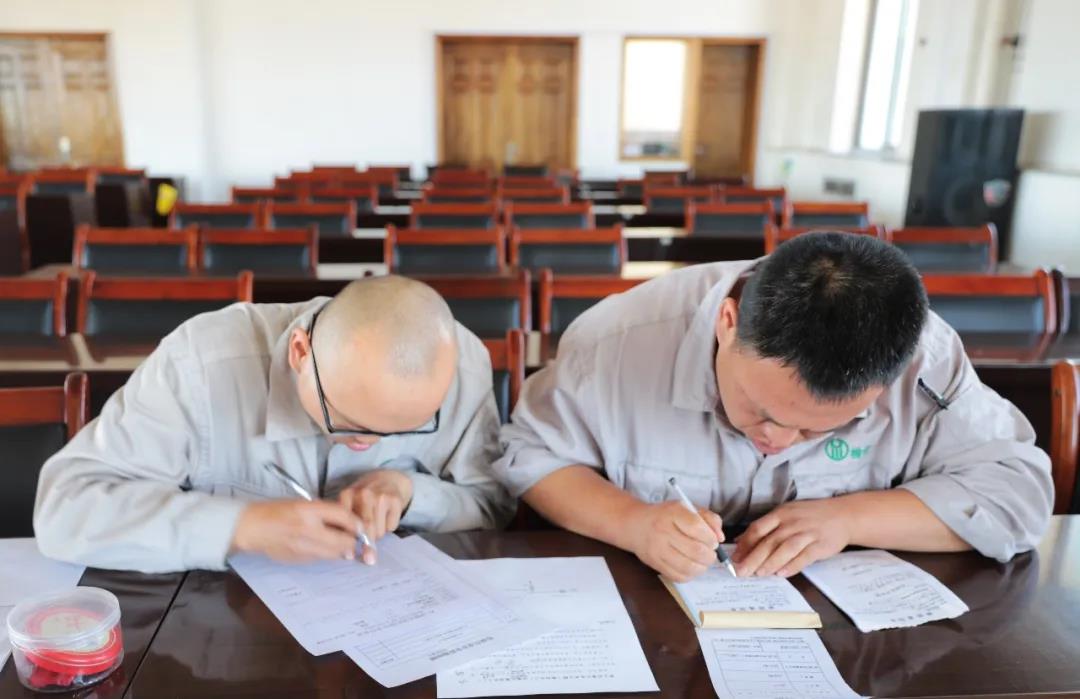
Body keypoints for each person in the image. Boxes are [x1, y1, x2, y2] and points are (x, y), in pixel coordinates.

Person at [495, 233, 1053, 582]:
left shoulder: (923, 360)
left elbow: (1018, 493)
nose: (777, 442)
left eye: (817, 430)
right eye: (761, 409)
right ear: (727, 324)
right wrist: (634, 524)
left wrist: (849, 518)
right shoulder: (617, 342)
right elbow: (531, 456)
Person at [35, 276, 513, 573]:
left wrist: (410, 491)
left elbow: (494, 507)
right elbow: (64, 510)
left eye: (405, 430)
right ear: (300, 352)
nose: (366, 446)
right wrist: (241, 526)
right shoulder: (201, 365)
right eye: (345, 422)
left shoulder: (461, 365)